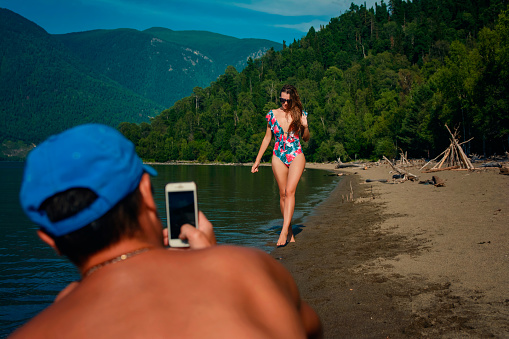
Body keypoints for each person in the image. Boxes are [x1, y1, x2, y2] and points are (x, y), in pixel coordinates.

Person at [10, 124, 322, 339]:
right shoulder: (247, 269)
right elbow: (309, 329)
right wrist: (212, 265)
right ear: (146, 193)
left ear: (50, 241)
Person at [252, 85, 310, 247]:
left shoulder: (300, 114)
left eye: (288, 100)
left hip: (296, 154)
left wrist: (305, 126)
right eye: (282, 100)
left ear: (293, 99)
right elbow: (266, 138)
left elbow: (305, 139)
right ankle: (290, 230)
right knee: (283, 194)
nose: (284, 103)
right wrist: (257, 160)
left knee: (290, 191)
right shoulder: (272, 114)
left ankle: (283, 231)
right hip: (278, 156)